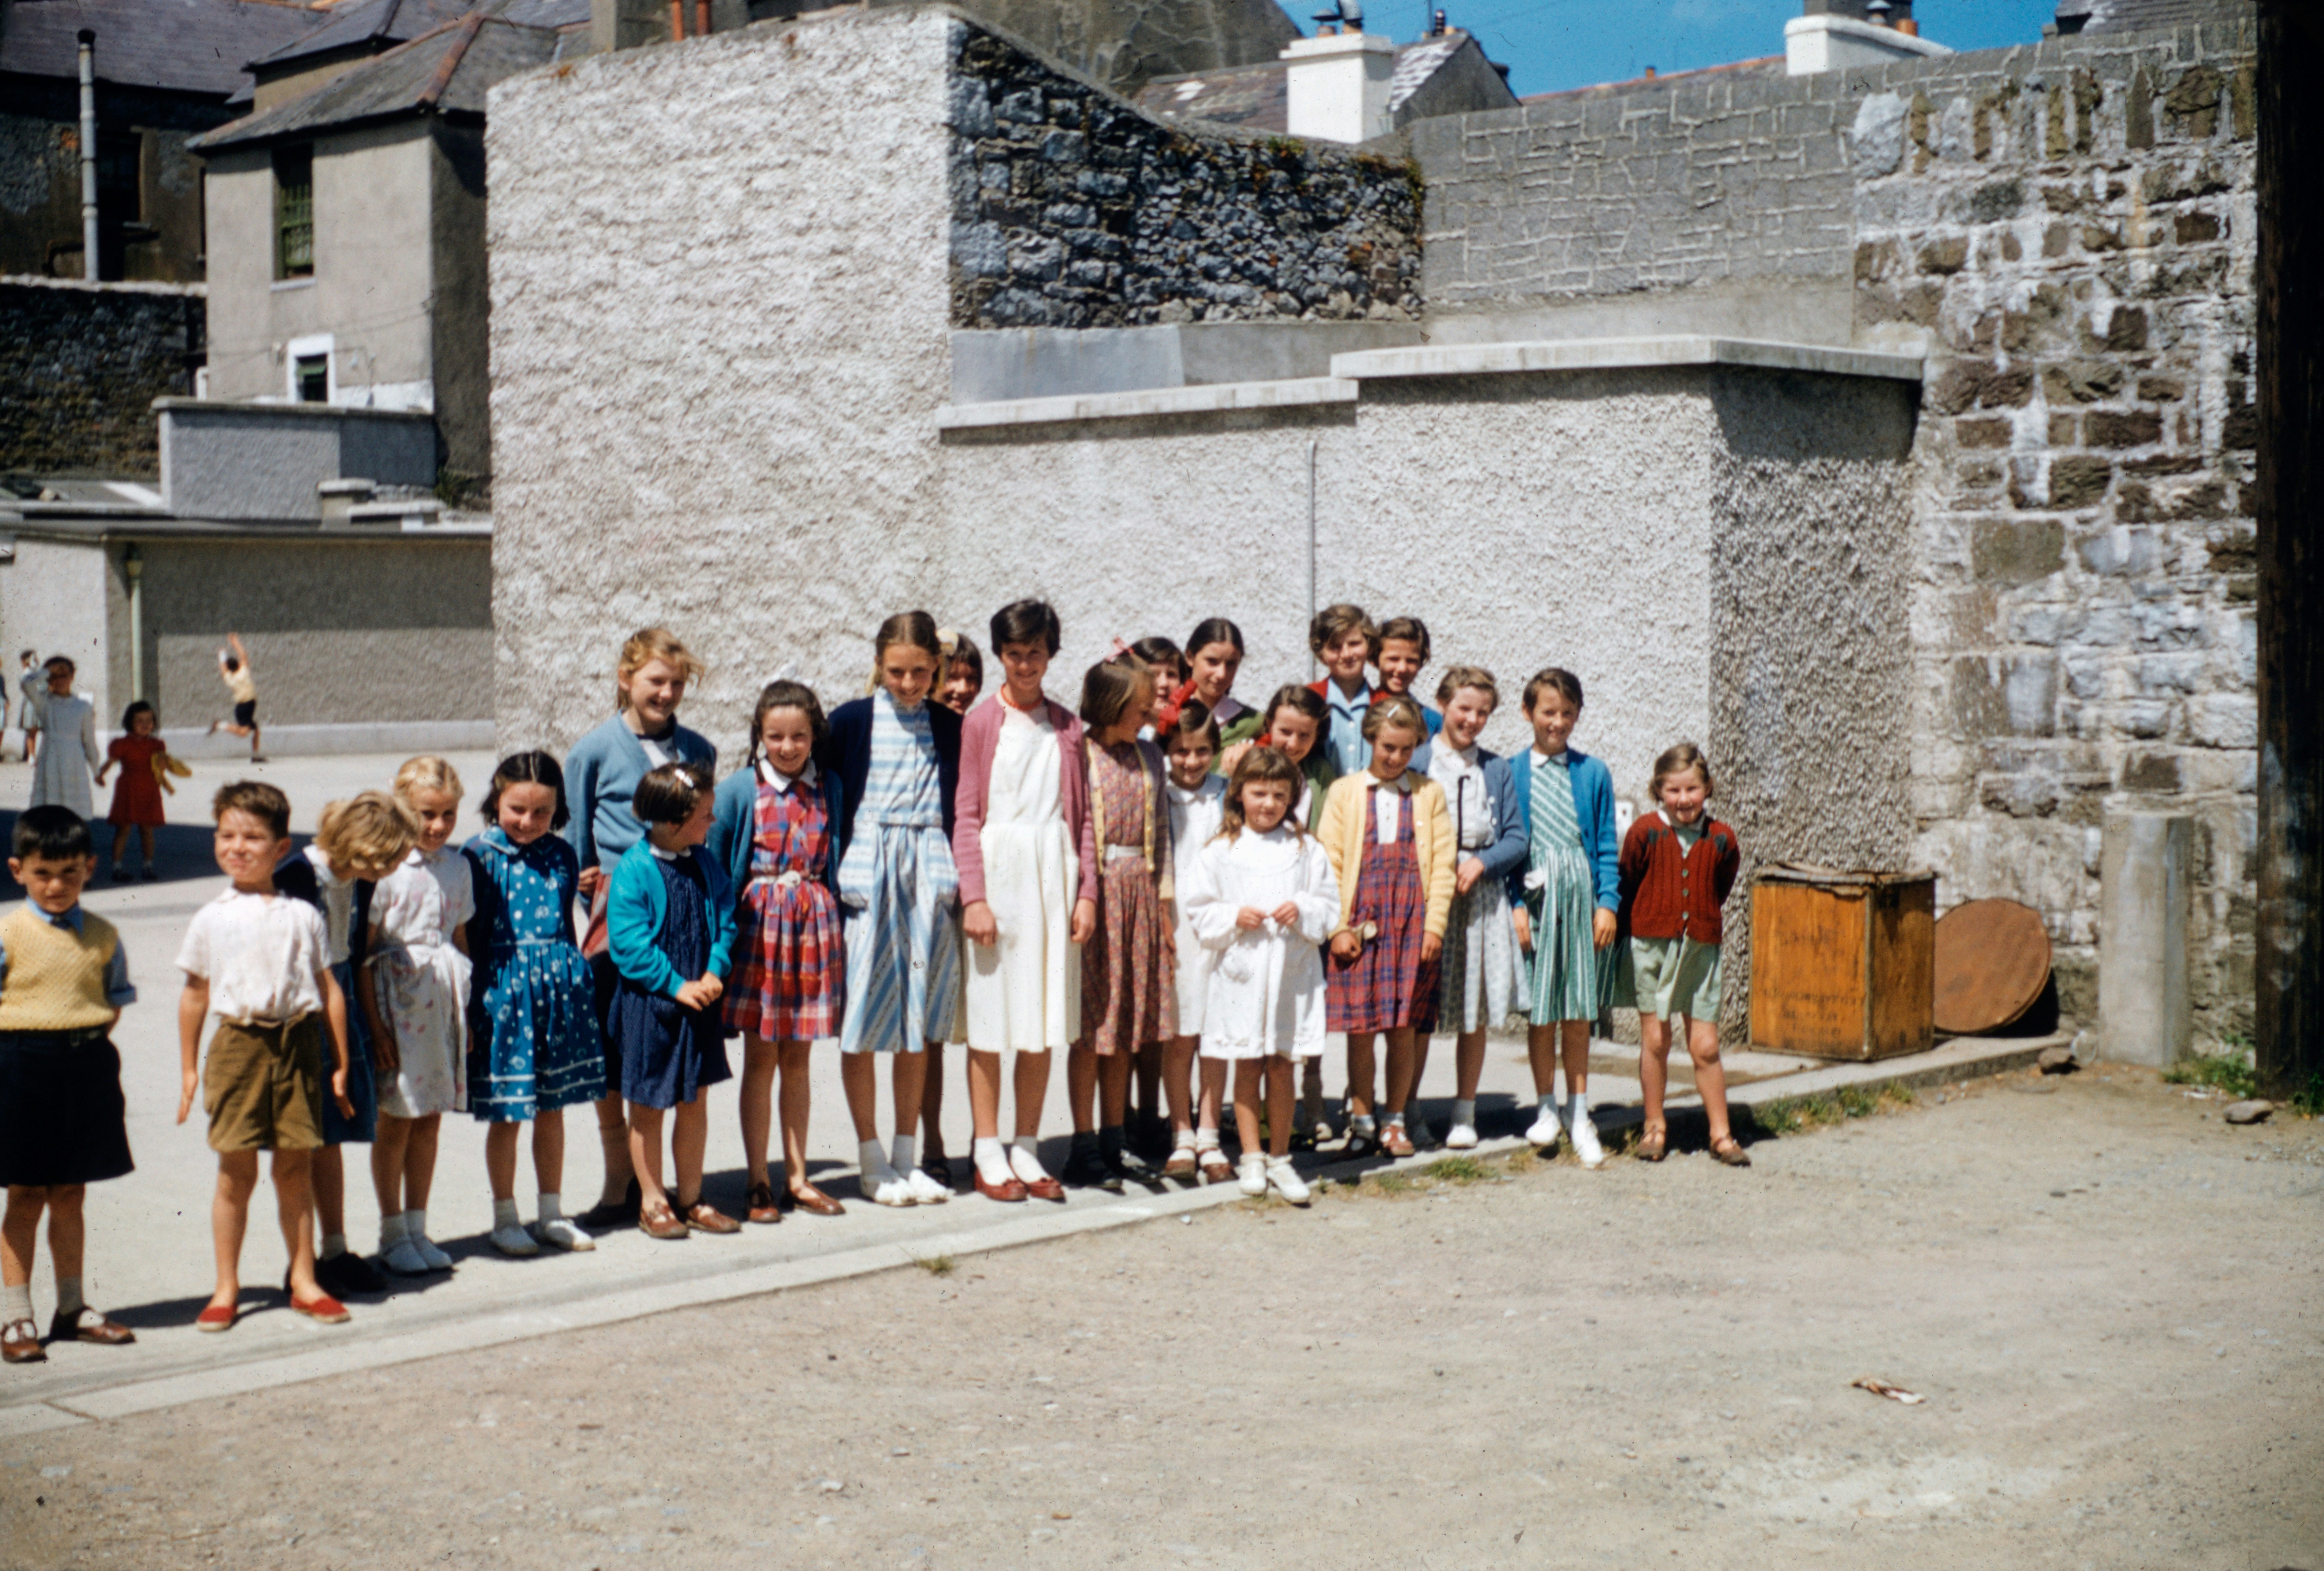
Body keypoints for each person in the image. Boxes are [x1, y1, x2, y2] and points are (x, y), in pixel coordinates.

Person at [175, 781, 355, 1332]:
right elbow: (196, 994)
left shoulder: (303, 914)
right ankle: (226, 1286)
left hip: (298, 1045)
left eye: (253, 837)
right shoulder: (213, 916)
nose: (238, 846)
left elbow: (328, 989)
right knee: (236, 1172)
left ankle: (304, 1277)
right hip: (238, 1046)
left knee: (294, 1166)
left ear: (281, 847)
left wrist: (342, 1063)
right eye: (227, 835)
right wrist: (188, 1067)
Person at [563, 628, 716, 1228]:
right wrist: (589, 907)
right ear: (627, 678)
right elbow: (578, 849)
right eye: (656, 680)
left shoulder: (698, 749)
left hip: (682, 908)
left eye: (677, 683)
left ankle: (678, 1183)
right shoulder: (594, 751)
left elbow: (702, 821)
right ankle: (619, 1181)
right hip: (618, 918)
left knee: (675, 1053)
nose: (668, 692)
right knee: (615, 1053)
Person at [955, 598, 1097, 1204]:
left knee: (1040, 1022)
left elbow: (1083, 818)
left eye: (1034, 653)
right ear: (1000, 655)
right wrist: (975, 897)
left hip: (1052, 877)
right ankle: (986, 1148)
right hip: (999, 873)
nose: (1024, 664)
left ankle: (1025, 1144)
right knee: (991, 1019)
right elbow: (964, 814)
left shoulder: (1067, 725)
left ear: (1050, 654)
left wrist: (1085, 893)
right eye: (1013, 654)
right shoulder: (981, 722)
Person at [823, 614, 964, 1209]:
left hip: (925, 871)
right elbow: (829, 796)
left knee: (918, 1019)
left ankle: (908, 1155)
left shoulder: (949, 726)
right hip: (868, 871)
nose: (908, 682)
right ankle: (870, 1156)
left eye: (920, 671)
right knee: (861, 1017)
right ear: (879, 663)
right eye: (896, 670)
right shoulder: (850, 720)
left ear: (938, 667)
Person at [0, 806, 138, 1364]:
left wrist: (80, 1045)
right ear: (18, 870)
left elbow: (113, 1000)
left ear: (90, 868)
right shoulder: (8, 931)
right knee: (27, 1193)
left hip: (85, 1065)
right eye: (43, 873)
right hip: (18, 1065)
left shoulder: (104, 934)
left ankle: (73, 1306)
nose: (56, 885)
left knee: (72, 1193)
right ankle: (15, 1314)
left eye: (70, 872)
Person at [713, 681, 847, 1224]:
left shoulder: (829, 785)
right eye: (775, 736)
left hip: (812, 930)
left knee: (799, 1059)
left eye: (798, 735)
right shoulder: (739, 790)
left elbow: (833, 859)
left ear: (814, 734)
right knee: (760, 1058)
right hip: (759, 934)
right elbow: (719, 866)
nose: (788, 746)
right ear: (759, 736)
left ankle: (797, 1176)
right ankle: (756, 1179)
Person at [1182, 747, 1338, 1204]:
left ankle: (1280, 1157)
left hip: (1289, 974)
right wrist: (1233, 916)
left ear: (1292, 797)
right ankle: (1250, 1155)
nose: (1268, 804)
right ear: (1239, 793)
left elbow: (1328, 905)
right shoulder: (1221, 850)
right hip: (1243, 974)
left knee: (1282, 1062)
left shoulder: (1304, 848)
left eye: (1278, 795)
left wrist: (1303, 909)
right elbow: (1200, 907)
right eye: (1258, 793)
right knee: (1247, 1061)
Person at [464, 752, 607, 1252]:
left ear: (558, 811)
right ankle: (505, 1217)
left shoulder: (563, 854)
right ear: (496, 801)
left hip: (557, 995)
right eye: (516, 809)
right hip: (504, 997)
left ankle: (551, 1213)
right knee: (508, 1112)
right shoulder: (477, 856)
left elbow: (565, 925)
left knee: (553, 1108)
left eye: (541, 812)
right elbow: (469, 938)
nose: (527, 822)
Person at [274, 791, 412, 1294]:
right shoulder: (296, 877)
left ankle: (334, 1248)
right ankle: (301, 1259)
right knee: (301, 1143)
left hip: (341, 1005)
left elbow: (350, 956)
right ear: (364, 849)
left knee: (331, 1135)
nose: (397, 867)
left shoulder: (358, 882)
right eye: (392, 857)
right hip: (301, 1013)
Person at [370, 760, 501, 1270]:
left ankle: (418, 1226)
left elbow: (462, 937)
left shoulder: (457, 865)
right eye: (427, 813)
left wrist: (465, 1015)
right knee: (397, 1118)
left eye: (448, 814)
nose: (438, 825)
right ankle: (391, 1231)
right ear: (401, 806)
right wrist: (376, 1025)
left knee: (429, 1119)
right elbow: (365, 950)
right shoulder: (384, 868)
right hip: (397, 1002)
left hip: (441, 1000)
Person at [1318, 697, 1454, 1159]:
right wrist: (1338, 925)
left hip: (1412, 920)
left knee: (1403, 1027)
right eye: (1386, 747)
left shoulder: (1429, 794)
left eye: (1405, 749)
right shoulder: (1344, 792)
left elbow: (1441, 867)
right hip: (1360, 920)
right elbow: (1331, 863)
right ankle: (1361, 1119)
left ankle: (1395, 1119)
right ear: (1371, 741)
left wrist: (1434, 927)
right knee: (1361, 1027)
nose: (1394, 757)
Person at [606, 762, 737, 1239]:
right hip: (654, 1007)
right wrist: (677, 985)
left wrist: (713, 970)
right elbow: (628, 944)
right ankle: (653, 1199)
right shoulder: (635, 869)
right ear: (674, 821)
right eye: (705, 815)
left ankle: (692, 1196)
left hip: (698, 1002)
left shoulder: (704, 862)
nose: (713, 823)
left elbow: (725, 915)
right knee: (648, 1106)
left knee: (695, 1101)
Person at [1063, 655, 1173, 1192]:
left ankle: (1114, 1137)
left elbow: (1164, 833)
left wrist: (1165, 905)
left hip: (1141, 895)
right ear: (1110, 705)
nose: (1148, 713)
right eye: (1138, 706)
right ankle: (1082, 1143)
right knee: (1092, 1028)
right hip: (1098, 894)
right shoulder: (1079, 754)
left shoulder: (1150, 754)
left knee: (1124, 1025)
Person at [1509, 667, 1618, 1170]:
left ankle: (1580, 1114)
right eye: (1548, 712)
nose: (1557, 722)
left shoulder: (1592, 772)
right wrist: (1515, 904)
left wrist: (1607, 903)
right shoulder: (1511, 771)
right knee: (1542, 1010)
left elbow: (1604, 847)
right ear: (1529, 712)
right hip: (1536, 898)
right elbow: (1507, 846)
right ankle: (1546, 1107)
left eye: (1567, 714)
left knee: (1577, 1008)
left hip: (1578, 895)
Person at [1620, 743, 1748, 1167]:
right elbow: (1629, 877)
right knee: (1656, 1038)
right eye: (1673, 790)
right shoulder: (1645, 831)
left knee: (1706, 1045)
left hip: (1701, 949)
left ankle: (1721, 1133)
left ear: (1707, 788)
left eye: (1692, 788)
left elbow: (1721, 884)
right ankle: (1654, 1125)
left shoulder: (1721, 837)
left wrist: (1699, 918)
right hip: (1652, 946)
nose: (1683, 799)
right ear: (1659, 791)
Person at [1422, 666, 1526, 1150]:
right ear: (1443, 704)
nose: (1473, 719)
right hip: (1429, 893)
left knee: (1475, 1008)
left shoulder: (1496, 767)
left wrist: (1484, 863)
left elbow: (1516, 838)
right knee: (1420, 1007)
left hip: (1480, 896)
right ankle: (1405, 1110)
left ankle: (1464, 1111)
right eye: (1464, 708)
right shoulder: (1420, 758)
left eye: (1483, 712)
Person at [923, 628, 985, 1185]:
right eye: (951, 675)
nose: (961, 687)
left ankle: (984, 1138)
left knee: (983, 1020)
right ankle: (932, 1142)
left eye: (970, 677)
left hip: (982, 891)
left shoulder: (984, 731)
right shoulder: (923, 736)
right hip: (934, 892)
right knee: (931, 1030)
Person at [1159, 700, 1226, 1182]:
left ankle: (1210, 1133)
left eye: (1202, 750)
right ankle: (1181, 1131)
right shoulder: (1160, 795)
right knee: (1182, 1034)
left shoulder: (1229, 794)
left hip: (1222, 925)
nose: (1191, 760)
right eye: (1182, 751)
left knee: (1217, 1034)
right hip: (1177, 920)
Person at [1219, 684, 1338, 830]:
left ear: (1317, 735)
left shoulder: (1320, 774)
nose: (1293, 744)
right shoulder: (1245, 764)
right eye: (1286, 732)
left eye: (1304, 735)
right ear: (1270, 724)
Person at [96, 701, 169, 881]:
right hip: (128, 788)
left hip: (149, 788)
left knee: (147, 829)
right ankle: (117, 867)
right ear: (130, 722)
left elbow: (161, 768)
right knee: (123, 829)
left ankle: (148, 866)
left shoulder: (157, 745)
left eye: (149, 721)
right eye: (140, 721)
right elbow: (110, 762)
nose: (145, 725)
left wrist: (164, 766)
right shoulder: (121, 744)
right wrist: (100, 775)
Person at [1307, 604, 1377, 777]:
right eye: (1335, 647)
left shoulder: (1383, 702)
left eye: (1354, 644)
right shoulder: (1309, 699)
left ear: (1368, 645)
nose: (1346, 654)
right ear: (1321, 654)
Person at [28, 658, 98, 819]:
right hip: (50, 758)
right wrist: (46, 671)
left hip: (74, 761)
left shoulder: (83, 707)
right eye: (54, 676)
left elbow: (89, 741)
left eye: (64, 675)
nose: (60, 680)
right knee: (49, 809)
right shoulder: (44, 702)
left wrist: (97, 771)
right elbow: (26, 684)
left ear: (72, 677)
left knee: (73, 810)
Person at [1180, 618, 1259, 755]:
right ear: (1190, 657)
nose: (1222, 674)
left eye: (1231, 664)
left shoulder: (1253, 723)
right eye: (1212, 662)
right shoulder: (1169, 714)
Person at [1374, 616, 1443, 770]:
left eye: (1411, 661)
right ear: (1376, 659)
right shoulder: (1362, 710)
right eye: (1393, 659)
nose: (1402, 668)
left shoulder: (1433, 722)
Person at [208, 633, 263, 762]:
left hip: (246, 706)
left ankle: (255, 757)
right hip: (245, 706)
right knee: (244, 733)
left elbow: (223, 670)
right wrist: (235, 642)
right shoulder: (243, 671)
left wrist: (222, 656)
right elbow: (243, 655)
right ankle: (220, 726)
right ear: (238, 665)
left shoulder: (230, 678)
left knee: (256, 731)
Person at [16, 649, 42, 763]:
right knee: (30, 729)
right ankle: (31, 755)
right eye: (33, 659)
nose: (36, 661)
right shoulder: (26, 673)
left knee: (35, 730)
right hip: (30, 703)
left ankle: (32, 754)